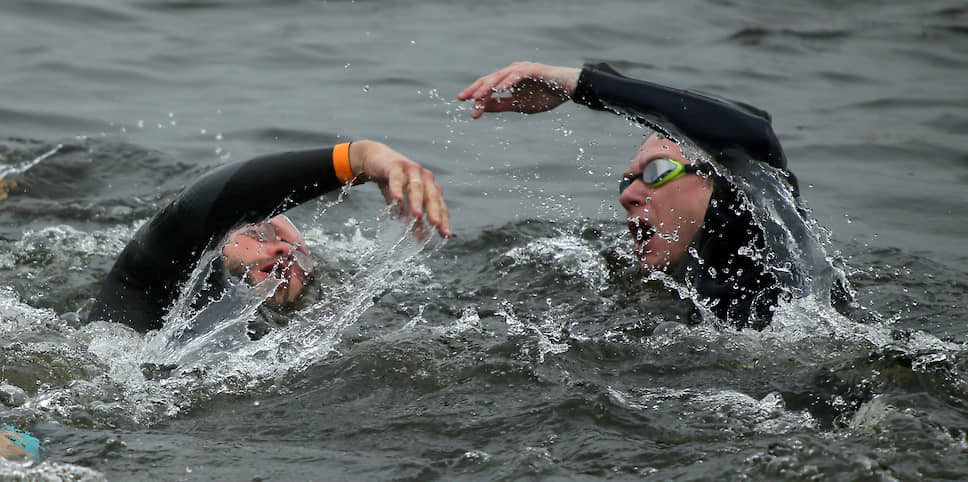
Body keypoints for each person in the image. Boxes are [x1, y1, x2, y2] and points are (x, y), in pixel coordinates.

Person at [459, 62, 843, 329]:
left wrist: (580, 84)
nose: (629, 196)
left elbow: (749, 131)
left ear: (723, 180)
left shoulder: (761, 229)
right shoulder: (677, 292)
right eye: (626, 182)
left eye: (656, 171)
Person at [87, 140, 451, 337]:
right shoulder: (150, 285)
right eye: (259, 232)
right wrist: (360, 157)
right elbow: (200, 207)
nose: (281, 247)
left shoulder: (302, 338)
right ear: (216, 242)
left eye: (296, 248)